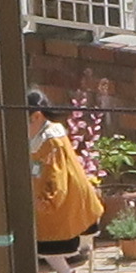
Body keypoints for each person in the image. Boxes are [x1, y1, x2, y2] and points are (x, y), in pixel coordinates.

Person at [28, 93, 106, 260]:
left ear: (36, 117)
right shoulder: (44, 136)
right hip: (65, 193)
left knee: (51, 241)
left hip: (63, 196)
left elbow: (56, 175)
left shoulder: (51, 142)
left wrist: (47, 201)